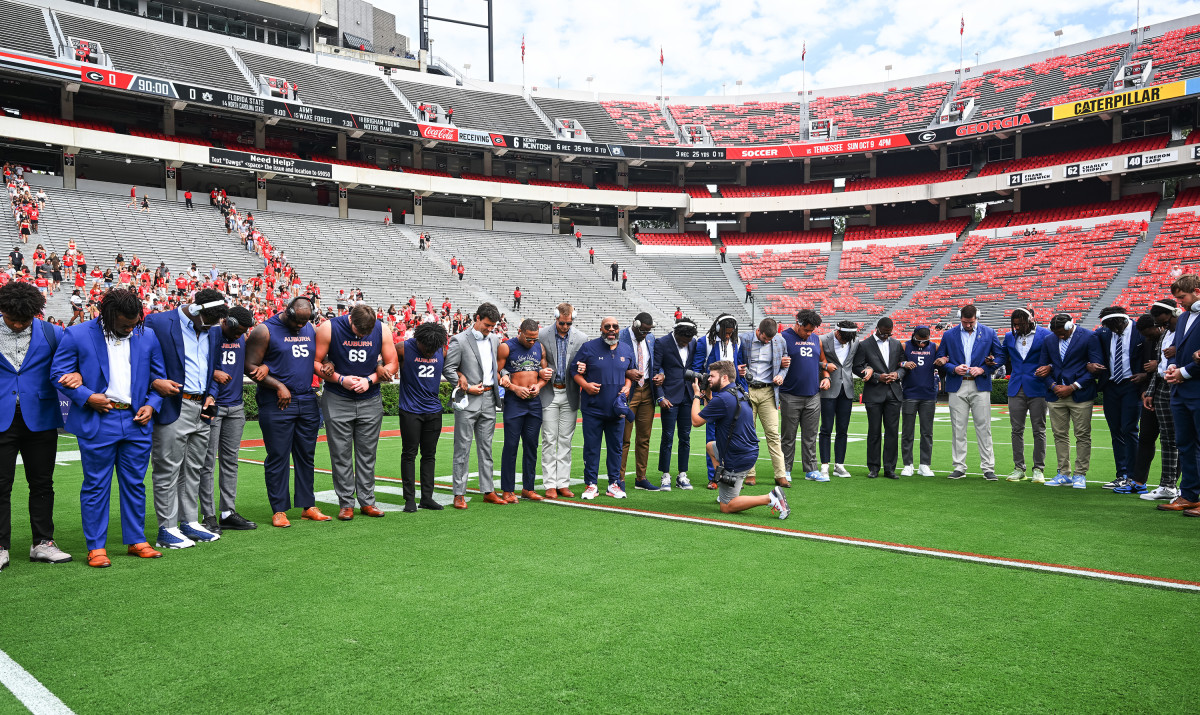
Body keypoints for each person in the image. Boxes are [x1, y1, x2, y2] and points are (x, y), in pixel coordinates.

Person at [52, 289, 166, 567]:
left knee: (134, 485)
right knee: (96, 486)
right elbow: (57, 374)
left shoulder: (146, 335)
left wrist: (152, 405)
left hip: (136, 422)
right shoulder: (77, 334)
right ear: (108, 316)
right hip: (98, 420)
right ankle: (96, 547)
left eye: (134, 323)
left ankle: (136, 540)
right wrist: (87, 397)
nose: (130, 329)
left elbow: (158, 378)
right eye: (124, 325)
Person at [144, 289, 227, 549]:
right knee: (168, 469)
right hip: (172, 405)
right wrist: (154, 383)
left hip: (202, 406)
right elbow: (139, 360)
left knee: (194, 469)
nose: (210, 327)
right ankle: (166, 528)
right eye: (207, 321)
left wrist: (212, 396)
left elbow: (214, 366)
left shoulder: (213, 329)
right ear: (195, 308)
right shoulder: (157, 322)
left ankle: (189, 522)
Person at [0, 282, 71, 570]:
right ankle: (1, 546)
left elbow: (65, 367)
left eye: (24, 320)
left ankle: (43, 543)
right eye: (11, 319)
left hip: (40, 418)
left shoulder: (53, 332)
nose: (17, 325)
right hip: (1, 419)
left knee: (42, 483)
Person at [244, 295, 330, 527]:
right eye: (297, 322)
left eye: (304, 322)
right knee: (278, 456)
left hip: (307, 399)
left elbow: (317, 358)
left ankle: (308, 505)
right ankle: (279, 509)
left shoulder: (310, 328)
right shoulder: (264, 330)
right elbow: (249, 366)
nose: (300, 326)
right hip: (276, 402)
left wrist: (328, 364)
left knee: (306, 455)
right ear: (288, 311)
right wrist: (278, 385)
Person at [313, 304, 397, 520]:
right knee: (340, 453)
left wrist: (371, 380)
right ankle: (346, 503)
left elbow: (392, 363)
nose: (362, 336)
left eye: (366, 333)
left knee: (367, 454)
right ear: (350, 319)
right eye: (359, 332)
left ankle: (368, 501)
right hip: (337, 396)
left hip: (370, 397)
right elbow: (315, 361)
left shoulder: (382, 329)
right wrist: (341, 379)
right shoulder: (329, 327)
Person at [691, 361, 789, 520]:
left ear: (724, 378)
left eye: (712, 376)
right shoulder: (738, 391)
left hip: (736, 457)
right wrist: (708, 394)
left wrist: (696, 394)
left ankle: (770, 497)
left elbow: (696, 421)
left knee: (726, 507)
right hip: (747, 451)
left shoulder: (722, 399)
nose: (708, 379)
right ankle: (724, 482)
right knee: (711, 447)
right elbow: (713, 411)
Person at [199, 307, 257, 532]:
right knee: (207, 462)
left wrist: (263, 368)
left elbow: (245, 364)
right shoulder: (210, 333)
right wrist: (212, 373)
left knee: (230, 461)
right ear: (225, 322)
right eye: (236, 331)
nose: (238, 335)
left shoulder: (242, 336)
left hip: (235, 406)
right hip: (213, 405)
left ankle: (228, 511)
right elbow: (194, 362)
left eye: (242, 332)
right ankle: (208, 515)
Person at [444, 303, 505, 509]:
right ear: (477, 318)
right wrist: (467, 386)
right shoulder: (459, 340)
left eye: (493, 326)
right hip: (468, 400)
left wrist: (504, 376)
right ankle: (459, 493)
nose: (490, 329)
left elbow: (497, 366)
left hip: (490, 400)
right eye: (487, 325)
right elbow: (449, 368)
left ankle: (488, 490)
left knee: (486, 448)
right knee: (462, 447)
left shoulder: (495, 339)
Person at [935, 305, 1003, 481]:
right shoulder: (949, 335)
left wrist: (982, 369)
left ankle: (988, 468)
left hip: (980, 384)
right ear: (960, 318)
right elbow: (941, 358)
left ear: (977, 317)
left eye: (971, 322)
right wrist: (953, 368)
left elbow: (1000, 356)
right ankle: (959, 467)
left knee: (984, 428)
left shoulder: (989, 332)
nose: (968, 325)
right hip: (957, 385)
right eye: (965, 322)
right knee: (958, 428)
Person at [1037, 313, 1102, 489]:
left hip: (1080, 394)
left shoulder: (1089, 336)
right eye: (1056, 333)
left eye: (1062, 333)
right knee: (1059, 435)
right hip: (1056, 395)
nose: (1060, 336)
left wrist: (1073, 386)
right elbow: (1042, 368)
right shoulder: (1049, 340)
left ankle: (1080, 474)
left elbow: (1096, 367)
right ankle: (1063, 473)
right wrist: (1052, 386)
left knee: (1082, 435)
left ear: (1069, 326)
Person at [574, 316, 634, 499]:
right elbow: (573, 371)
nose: (611, 329)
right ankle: (591, 484)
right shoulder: (588, 347)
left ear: (619, 329)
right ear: (601, 328)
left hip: (616, 410)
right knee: (592, 447)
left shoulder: (626, 349)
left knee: (616, 447)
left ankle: (613, 484)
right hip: (593, 408)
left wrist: (628, 386)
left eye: (615, 326)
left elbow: (630, 373)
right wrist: (585, 385)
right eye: (607, 326)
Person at [397, 322, 449, 512]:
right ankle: (409, 499)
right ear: (418, 340)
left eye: (432, 349)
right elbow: (383, 360)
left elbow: (451, 369)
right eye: (426, 348)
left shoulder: (441, 350)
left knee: (429, 455)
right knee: (409, 454)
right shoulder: (403, 348)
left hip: (434, 411)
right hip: (410, 410)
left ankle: (427, 498)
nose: (429, 352)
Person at [1160, 274, 1200, 516]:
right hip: (1181, 390)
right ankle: (1188, 494)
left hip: (1195, 387)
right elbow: (1180, 349)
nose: (1180, 303)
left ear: (1197, 291)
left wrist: (1185, 372)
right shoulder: (1183, 317)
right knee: (1184, 444)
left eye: (1182, 297)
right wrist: (1174, 365)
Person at [998, 308, 1053, 482]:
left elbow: (1054, 357)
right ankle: (1019, 468)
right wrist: (993, 361)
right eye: (1014, 324)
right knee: (1016, 430)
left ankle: (1038, 468)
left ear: (1030, 321)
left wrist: (1050, 367)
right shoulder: (1009, 336)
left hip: (1038, 387)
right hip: (1015, 387)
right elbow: (1002, 357)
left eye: (1020, 324)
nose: (1017, 327)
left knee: (1039, 430)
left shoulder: (1045, 334)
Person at [1093, 307, 1145, 491]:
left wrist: (1145, 375)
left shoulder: (1140, 331)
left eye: (1115, 326)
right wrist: (1090, 364)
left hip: (1132, 384)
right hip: (1111, 386)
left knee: (1129, 429)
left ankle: (1134, 476)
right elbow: (1091, 349)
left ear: (1123, 320)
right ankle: (1121, 474)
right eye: (1108, 327)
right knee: (1115, 430)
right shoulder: (1104, 333)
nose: (1112, 330)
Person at [538, 303, 585, 499]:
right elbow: (533, 360)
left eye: (569, 323)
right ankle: (549, 483)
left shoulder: (582, 338)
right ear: (555, 317)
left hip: (570, 393)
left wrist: (584, 367)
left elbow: (584, 364)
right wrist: (540, 371)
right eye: (562, 323)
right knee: (549, 439)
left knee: (566, 441)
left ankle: (563, 483)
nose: (565, 326)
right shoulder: (541, 335)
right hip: (549, 392)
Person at [498, 319, 547, 502]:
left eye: (535, 339)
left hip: (534, 402)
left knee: (531, 446)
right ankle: (508, 490)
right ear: (520, 332)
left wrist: (540, 385)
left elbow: (545, 373)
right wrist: (513, 388)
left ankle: (528, 488)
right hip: (514, 402)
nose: (532, 342)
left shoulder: (539, 347)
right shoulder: (506, 347)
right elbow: (496, 372)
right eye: (528, 339)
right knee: (511, 446)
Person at [1137, 301, 1182, 501]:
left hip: (1182, 385)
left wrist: (1178, 351)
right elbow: (1160, 367)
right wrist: (1150, 391)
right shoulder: (1164, 335)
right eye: (1159, 323)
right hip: (1163, 386)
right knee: (1167, 439)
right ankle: (1168, 485)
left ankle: (1180, 486)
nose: (1163, 326)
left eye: (1165, 321)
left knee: (1183, 439)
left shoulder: (1187, 331)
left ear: (1175, 313)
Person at [693, 314, 743, 488]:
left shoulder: (737, 342)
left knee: (733, 434)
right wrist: (704, 388)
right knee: (712, 435)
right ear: (716, 329)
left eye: (730, 333)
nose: (728, 335)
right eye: (725, 332)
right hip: (713, 394)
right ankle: (714, 477)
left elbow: (738, 366)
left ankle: (732, 475)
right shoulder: (704, 342)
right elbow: (697, 367)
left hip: (732, 394)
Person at [854, 317, 907, 479]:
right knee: (874, 432)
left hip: (894, 393)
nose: (886, 336)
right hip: (874, 393)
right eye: (883, 333)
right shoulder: (864, 345)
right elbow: (857, 367)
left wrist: (897, 374)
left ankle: (890, 468)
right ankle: (874, 468)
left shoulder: (896, 344)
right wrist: (877, 377)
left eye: (888, 334)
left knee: (892, 432)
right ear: (877, 329)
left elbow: (903, 364)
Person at [775, 312, 825, 485]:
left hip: (813, 395)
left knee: (810, 436)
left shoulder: (816, 339)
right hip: (790, 394)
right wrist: (779, 363)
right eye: (806, 330)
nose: (808, 333)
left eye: (811, 330)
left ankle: (811, 469)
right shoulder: (782, 338)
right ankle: (785, 469)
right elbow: (773, 362)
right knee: (788, 436)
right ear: (798, 323)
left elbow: (820, 362)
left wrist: (826, 376)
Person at [619, 313, 660, 491]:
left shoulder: (650, 338)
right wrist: (627, 373)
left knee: (644, 438)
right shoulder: (620, 336)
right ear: (634, 324)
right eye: (642, 330)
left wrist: (662, 374)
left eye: (648, 331)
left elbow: (657, 362)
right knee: (624, 438)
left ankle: (641, 477)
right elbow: (612, 363)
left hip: (647, 391)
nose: (645, 334)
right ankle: (618, 478)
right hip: (629, 391)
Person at [654, 318, 697, 490]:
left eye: (688, 341)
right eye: (682, 340)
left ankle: (682, 475)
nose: (685, 343)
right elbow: (655, 370)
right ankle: (665, 475)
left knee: (685, 437)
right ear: (676, 333)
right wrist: (660, 397)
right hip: (669, 398)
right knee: (668, 437)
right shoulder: (662, 343)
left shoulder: (693, 343)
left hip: (688, 396)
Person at [818, 321, 859, 478]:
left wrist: (867, 368)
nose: (845, 342)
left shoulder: (854, 341)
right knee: (826, 428)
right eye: (843, 339)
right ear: (837, 332)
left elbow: (857, 362)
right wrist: (824, 365)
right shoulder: (822, 339)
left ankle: (839, 465)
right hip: (828, 388)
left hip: (847, 389)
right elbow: (813, 361)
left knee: (843, 429)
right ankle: (824, 465)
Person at [899, 326, 938, 477]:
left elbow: (946, 358)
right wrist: (904, 364)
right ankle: (907, 464)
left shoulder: (935, 346)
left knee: (927, 432)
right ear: (913, 336)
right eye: (918, 341)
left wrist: (943, 359)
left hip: (928, 394)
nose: (921, 344)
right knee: (907, 431)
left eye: (924, 342)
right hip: (909, 394)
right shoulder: (904, 345)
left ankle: (924, 465)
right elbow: (894, 361)